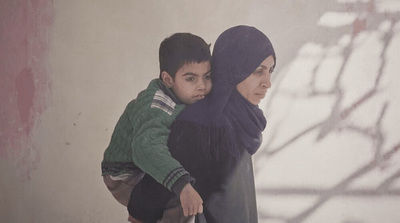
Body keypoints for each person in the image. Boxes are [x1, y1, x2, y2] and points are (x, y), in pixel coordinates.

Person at [128, 25, 276, 223]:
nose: (268, 82)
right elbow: (152, 191)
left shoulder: (242, 117)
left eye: (270, 71)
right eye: (258, 71)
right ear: (233, 69)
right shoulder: (201, 123)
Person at [101, 33, 212, 221]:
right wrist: (182, 186)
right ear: (168, 79)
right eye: (191, 79)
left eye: (207, 76)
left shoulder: (185, 95)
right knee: (179, 199)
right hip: (125, 173)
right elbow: (146, 149)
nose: (202, 86)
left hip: (145, 163)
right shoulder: (157, 105)